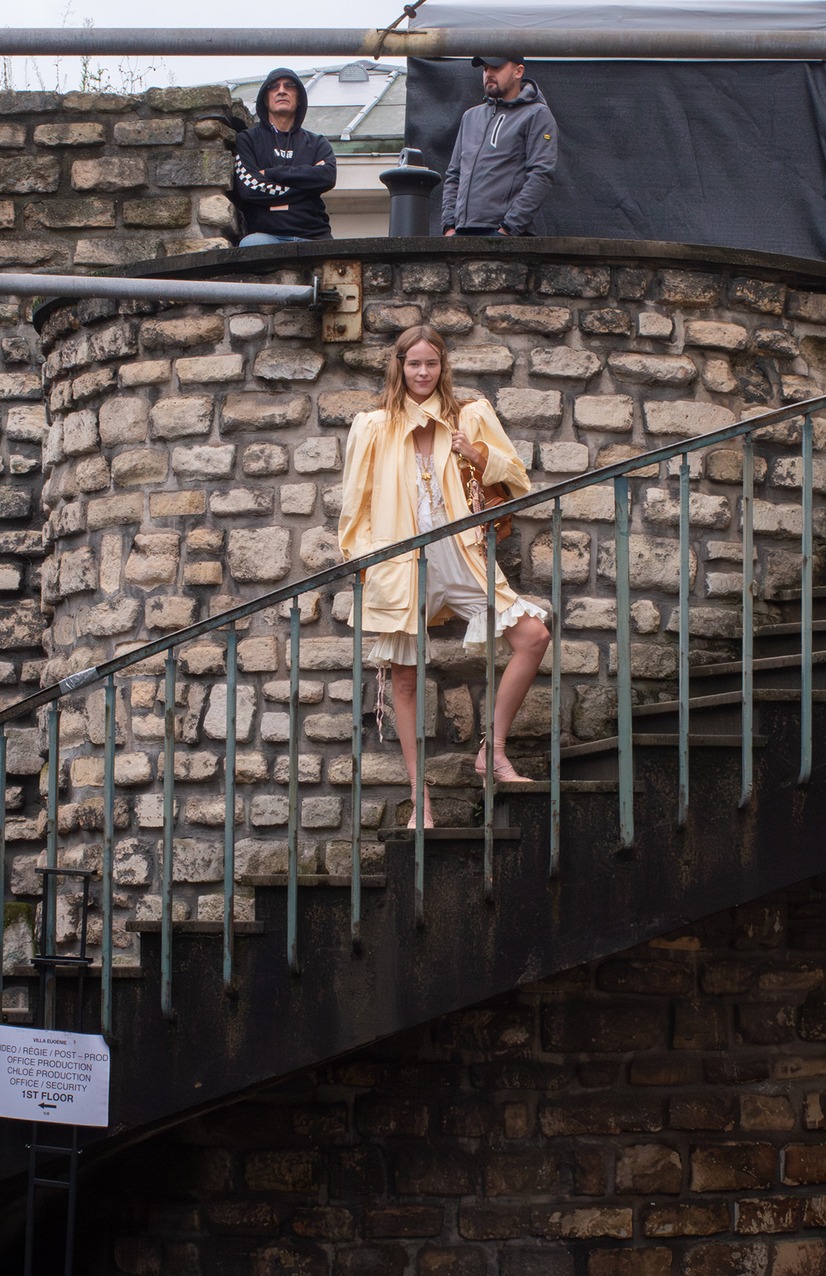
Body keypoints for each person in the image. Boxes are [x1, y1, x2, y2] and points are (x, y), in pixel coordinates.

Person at [338, 325, 551, 824]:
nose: (422, 373)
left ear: (442, 366)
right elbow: (355, 509)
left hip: (461, 552)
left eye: (431, 364)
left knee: (533, 637)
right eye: (413, 363)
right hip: (399, 561)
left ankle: (492, 753)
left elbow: (518, 478)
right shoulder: (373, 426)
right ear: (399, 366)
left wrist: (476, 454)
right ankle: (422, 801)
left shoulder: (469, 415)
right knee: (406, 683)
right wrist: (368, 562)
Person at [440, 57, 558, 237]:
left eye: (496, 67)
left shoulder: (537, 114)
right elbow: (454, 174)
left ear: (518, 71)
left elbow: (541, 175)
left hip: (505, 236)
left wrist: (508, 229)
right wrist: (449, 226)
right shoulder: (470, 117)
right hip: (462, 233)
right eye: (485, 69)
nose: (489, 74)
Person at [231, 68, 337, 246]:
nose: (281, 90)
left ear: (299, 98)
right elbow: (249, 189)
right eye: (274, 87)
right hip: (265, 238)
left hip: (315, 237)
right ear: (266, 99)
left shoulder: (317, 142)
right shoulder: (247, 140)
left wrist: (271, 174)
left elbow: (327, 177)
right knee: (250, 245)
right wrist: (307, 187)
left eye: (289, 86)